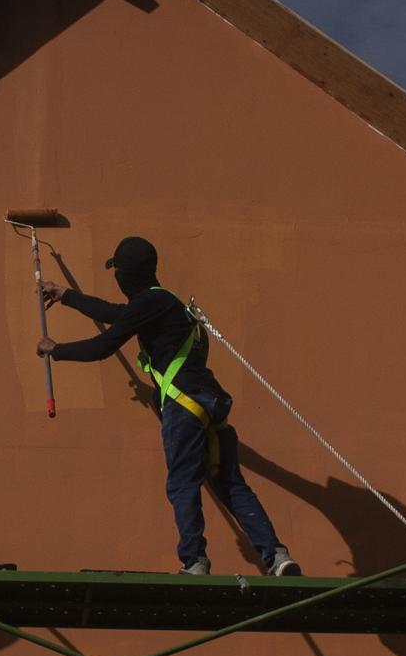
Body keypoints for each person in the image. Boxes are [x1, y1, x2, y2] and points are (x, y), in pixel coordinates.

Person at [39, 236, 302, 578]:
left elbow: (104, 345)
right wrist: (66, 295)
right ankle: (277, 557)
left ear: (124, 274)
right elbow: (114, 314)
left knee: (183, 482)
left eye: (116, 269)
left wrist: (56, 349)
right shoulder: (167, 303)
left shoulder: (148, 305)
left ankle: (194, 561)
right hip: (211, 402)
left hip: (184, 405)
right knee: (231, 483)